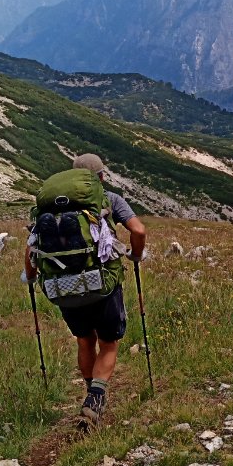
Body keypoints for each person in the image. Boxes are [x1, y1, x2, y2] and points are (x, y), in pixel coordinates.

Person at [24, 152, 146, 426]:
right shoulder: (110, 200)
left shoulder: (49, 210)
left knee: (84, 340)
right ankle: (96, 397)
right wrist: (135, 256)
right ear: (101, 177)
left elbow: (31, 248)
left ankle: (89, 390)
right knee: (109, 343)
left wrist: (30, 277)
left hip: (62, 287)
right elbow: (138, 231)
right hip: (102, 284)